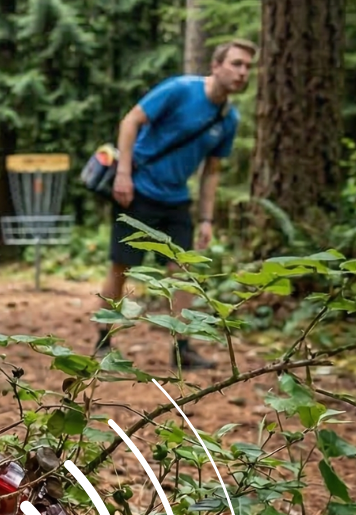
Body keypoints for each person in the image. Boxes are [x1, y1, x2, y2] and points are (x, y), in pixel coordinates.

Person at [93, 39, 257, 370]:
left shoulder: (228, 118)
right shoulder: (180, 89)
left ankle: (182, 349)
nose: (243, 73)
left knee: (183, 272)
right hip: (138, 192)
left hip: (177, 200)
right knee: (121, 267)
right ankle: (102, 341)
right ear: (216, 66)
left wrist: (207, 219)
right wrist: (123, 174)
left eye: (248, 67)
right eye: (236, 64)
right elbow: (130, 121)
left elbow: (211, 171)